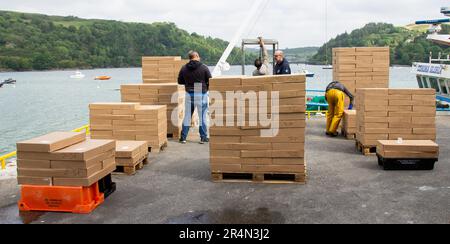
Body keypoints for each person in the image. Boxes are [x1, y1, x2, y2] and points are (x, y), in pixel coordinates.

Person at [178, 51, 212, 144]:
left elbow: (180, 81)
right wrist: (205, 87)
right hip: (201, 92)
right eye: (199, 56)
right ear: (196, 56)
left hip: (189, 92)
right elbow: (210, 80)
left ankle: (183, 137)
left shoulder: (184, 68)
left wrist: (189, 83)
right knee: (202, 116)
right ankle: (203, 138)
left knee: (188, 115)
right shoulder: (204, 67)